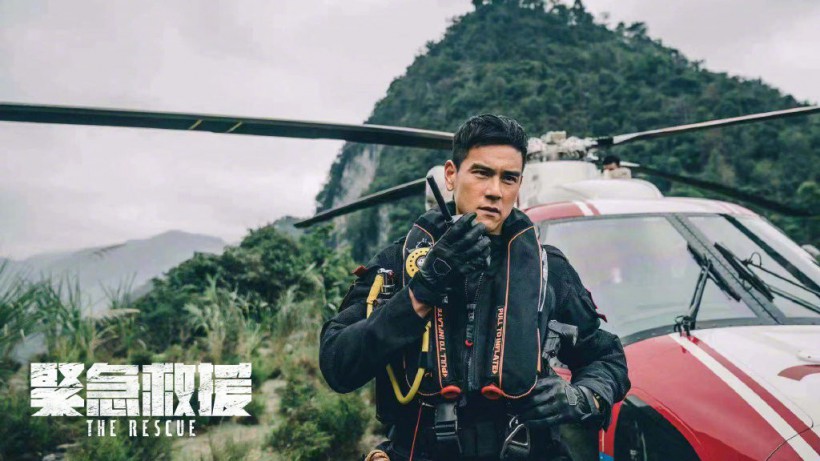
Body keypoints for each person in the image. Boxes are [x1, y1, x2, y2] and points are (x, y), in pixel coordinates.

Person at [319, 115, 630, 461]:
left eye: (508, 178)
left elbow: (606, 358)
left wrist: (582, 397)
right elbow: (337, 365)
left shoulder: (547, 268)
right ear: (451, 175)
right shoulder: (399, 262)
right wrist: (422, 290)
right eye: (482, 173)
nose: (495, 191)